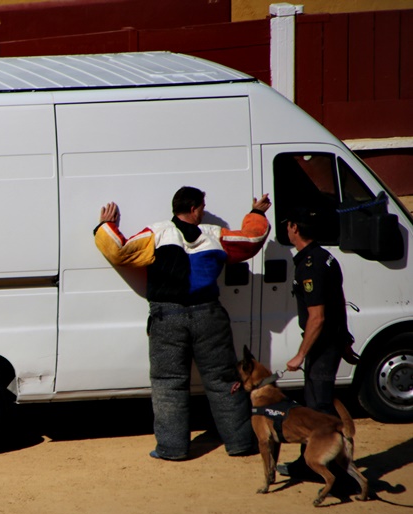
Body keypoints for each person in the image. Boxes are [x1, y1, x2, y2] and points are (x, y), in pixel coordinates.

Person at [95, 186, 271, 460]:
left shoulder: (156, 233)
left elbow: (119, 251)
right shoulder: (215, 235)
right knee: (223, 380)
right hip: (208, 316)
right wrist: (256, 213)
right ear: (193, 208)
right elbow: (252, 239)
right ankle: (239, 443)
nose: (203, 211)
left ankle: (172, 448)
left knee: (168, 383)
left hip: (167, 317)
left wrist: (106, 225)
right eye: (201, 206)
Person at [278, 206, 358, 479]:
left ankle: (339, 472)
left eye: (288, 225)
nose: (287, 230)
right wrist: (346, 339)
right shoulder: (326, 258)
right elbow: (339, 302)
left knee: (320, 410)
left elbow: (317, 316)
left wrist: (300, 355)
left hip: (322, 344)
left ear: (295, 228)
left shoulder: (309, 266)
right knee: (314, 408)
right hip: (330, 341)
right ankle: (309, 464)